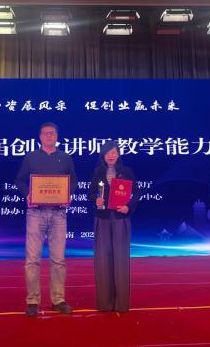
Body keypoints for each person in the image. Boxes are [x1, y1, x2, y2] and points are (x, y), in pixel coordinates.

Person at [15, 122, 78, 317]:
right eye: (45, 133)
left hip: (58, 214)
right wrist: (28, 194)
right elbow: (19, 180)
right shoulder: (31, 157)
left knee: (58, 259)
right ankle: (33, 301)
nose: (49, 136)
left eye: (52, 133)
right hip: (36, 213)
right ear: (40, 136)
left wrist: (68, 194)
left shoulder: (65, 157)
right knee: (32, 259)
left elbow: (73, 181)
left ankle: (58, 299)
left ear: (57, 136)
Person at [88, 141, 140, 312]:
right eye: (107, 152)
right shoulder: (98, 172)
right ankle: (105, 303)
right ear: (103, 155)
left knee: (121, 260)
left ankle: (121, 304)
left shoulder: (126, 172)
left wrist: (128, 207)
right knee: (103, 261)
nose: (111, 155)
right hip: (102, 219)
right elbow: (91, 194)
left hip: (120, 219)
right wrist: (95, 200)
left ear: (118, 154)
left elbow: (137, 193)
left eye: (114, 152)